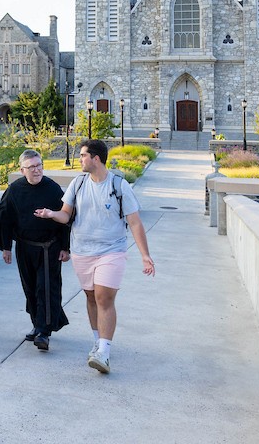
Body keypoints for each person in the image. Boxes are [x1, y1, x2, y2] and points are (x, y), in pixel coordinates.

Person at [35, 139, 154, 374]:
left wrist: (145, 255)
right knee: (91, 297)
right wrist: (51, 213)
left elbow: (135, 222)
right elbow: (66, 215)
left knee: (103, 298)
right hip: (82, 251)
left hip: (112, 250)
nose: (79, 159)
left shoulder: (120, 186)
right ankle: (98, 342)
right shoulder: (78, 184)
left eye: (82, 155)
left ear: (96, 158)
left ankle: (104, 353)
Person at [0, 149, 70, 351]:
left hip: (49, 249)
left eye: (39, 165)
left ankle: (44, 332)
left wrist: (65, 247)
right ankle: (37, 323)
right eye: (32, 167)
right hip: (24, 247)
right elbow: (3, 218)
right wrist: (6, 247)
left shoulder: (53, 189)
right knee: (30, 288)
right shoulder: (15, 189)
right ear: (22, 170)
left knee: (46, 288)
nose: (37, 170)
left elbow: (66, 217)